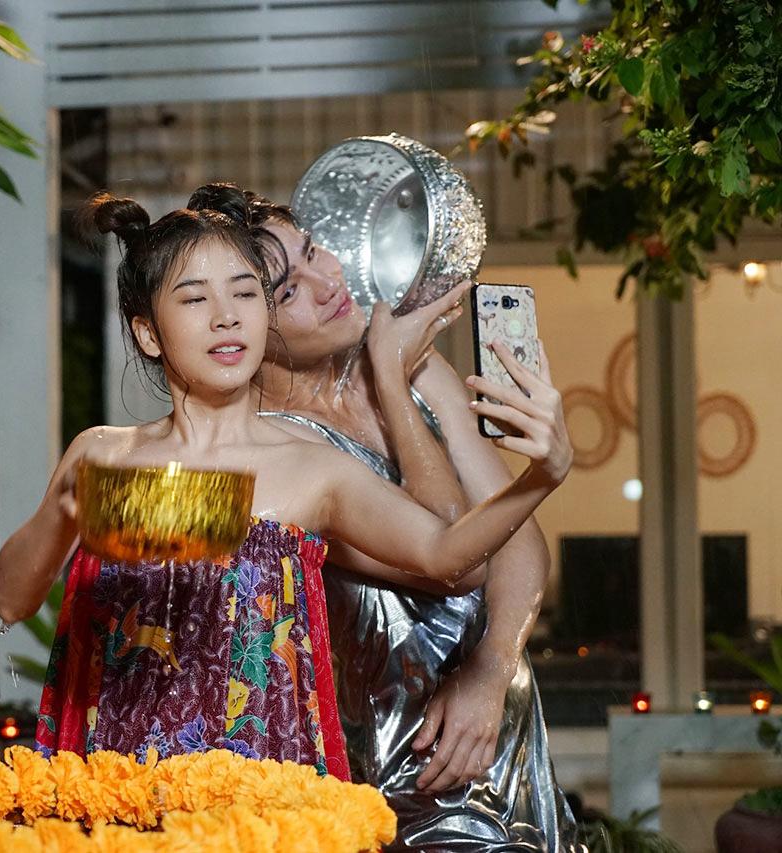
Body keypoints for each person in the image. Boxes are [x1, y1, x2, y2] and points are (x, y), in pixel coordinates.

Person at [0, 193, 572, 779]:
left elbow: (447, 555)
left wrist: (542, 477)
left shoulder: (312, 468)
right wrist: (64, 514)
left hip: (263, 792)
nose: (226, 316)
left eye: (245, 293)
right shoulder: (101, 451)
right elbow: (11, 601)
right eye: (195, 298)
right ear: (148, 334)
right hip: (111, 782)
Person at [189, 182, 581, 850]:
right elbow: (456, 560)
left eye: (314, 251)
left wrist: (492, 670)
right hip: (403, 766)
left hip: (499, 729)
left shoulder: (418, 369)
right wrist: (393, 385)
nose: (328, 282)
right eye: (289, 290)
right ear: (248, 323)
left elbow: (521, 544)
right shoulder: (272, 448)